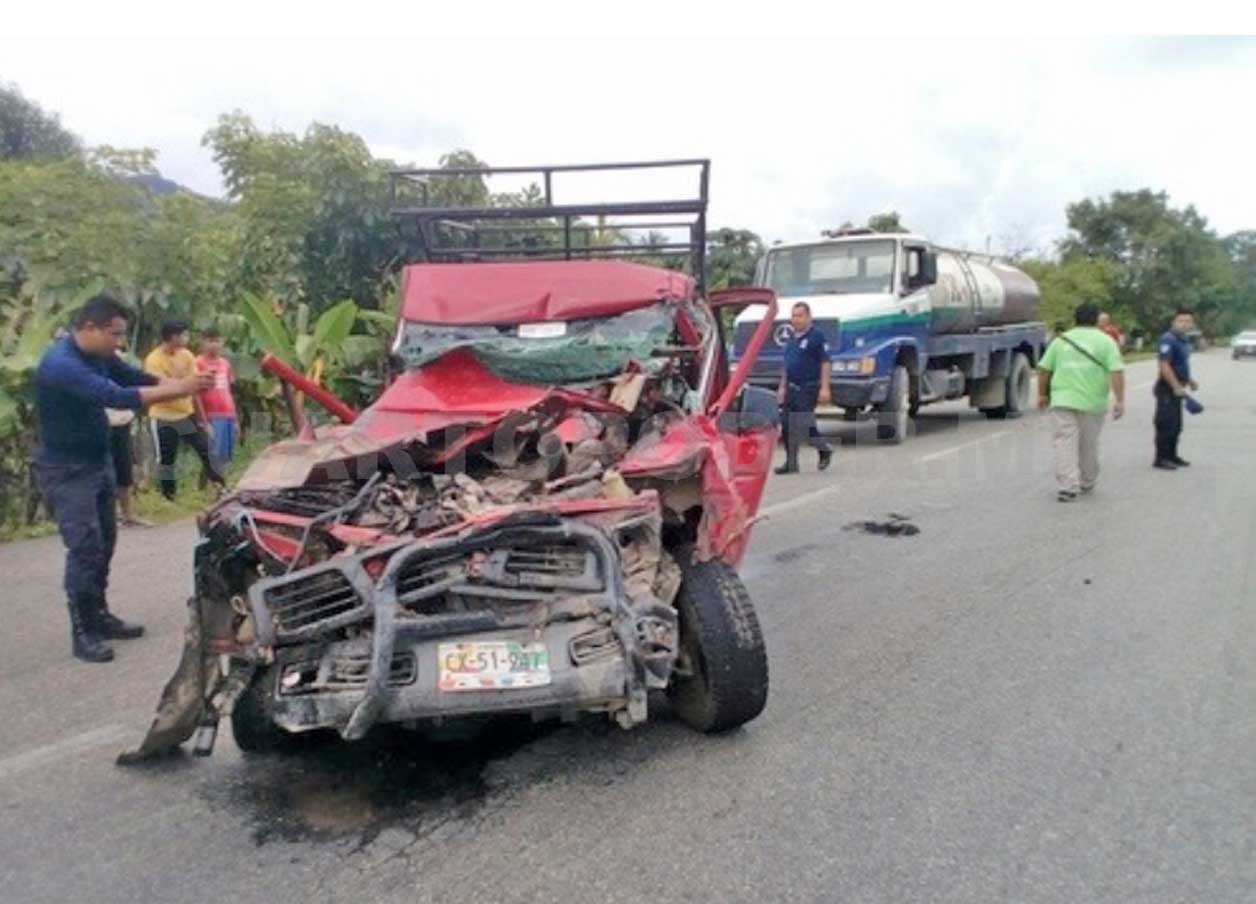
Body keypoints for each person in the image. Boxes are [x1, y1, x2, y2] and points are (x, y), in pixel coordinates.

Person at [35, 296, 213, 662]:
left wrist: (181, 382)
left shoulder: (99, 356)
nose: (119, 342)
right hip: (67, 470)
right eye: (114, 334)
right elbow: (115, 395)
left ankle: (99, 614)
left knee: (106, 541)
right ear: (89, 328)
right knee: (85, 547)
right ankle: (82, 631)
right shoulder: (61, 364)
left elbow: (132, 376)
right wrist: (181, 389)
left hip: (96, 461)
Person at [1036, 302, 1125, 502]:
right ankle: (1087, 481)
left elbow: (1044, 370)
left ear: (1075, 318)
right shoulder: (1106, 342)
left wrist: (1042, 394)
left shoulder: (1061, 341)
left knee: (1064, 442)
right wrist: (1119, 400)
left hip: (1062, 400)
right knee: (1088, 444)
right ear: (1096, 320)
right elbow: (1116, 371)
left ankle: (1067, 486)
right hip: (1093, 402)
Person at [144, 320, 225, 499]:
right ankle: (168, 497)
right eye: (184, 335)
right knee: (167, 459)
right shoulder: (153, 360)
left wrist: (203, 420)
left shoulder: (187, 356)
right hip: (163, 416)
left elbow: (194, 388)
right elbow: (160, 389)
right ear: (174, 337)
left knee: (206, 450)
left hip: (187, 414)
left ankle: (220, 487)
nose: (187, 339)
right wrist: (183, 386)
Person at [775, 301, 834, 474]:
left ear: (808, 317)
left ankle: (823, 449)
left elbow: (825, 362)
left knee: (804, 423)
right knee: (786, 424)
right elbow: (787, 365)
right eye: (793, 316)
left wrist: (825, 387)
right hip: (791, 388)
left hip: (807, 387)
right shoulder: (792, 339)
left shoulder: (817, 337)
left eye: (800, 316)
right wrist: (782, 387)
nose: (796, 319)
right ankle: (791, 463)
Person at [1153, 308, 1199, 470]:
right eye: (1181, 321)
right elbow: (1164, 365)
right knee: (1166, 424)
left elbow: (1180, 365)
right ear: (1174, 322)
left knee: (1176, 426)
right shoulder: (1168, 339)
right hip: (1167, 388)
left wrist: (1190, 381)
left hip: (1178, 386)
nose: (1185, 324)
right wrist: (1176, 386)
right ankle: (1161, 458)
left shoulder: (1183, 340)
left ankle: (1172, 455)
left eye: (1188, 321)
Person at [195, 328, 239, 482]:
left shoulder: (225, 364)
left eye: (217, 341)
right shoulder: (198, 363)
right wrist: (202, 420)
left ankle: (218, 488)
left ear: (222, 343)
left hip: (227, 414)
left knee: (224, 456)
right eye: (209, 341)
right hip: (210, 416)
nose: (213, 345)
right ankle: (205, 488)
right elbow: (196, 395)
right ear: (202, 343)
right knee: (211, 456)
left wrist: (235, 420)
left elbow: (228, 391)